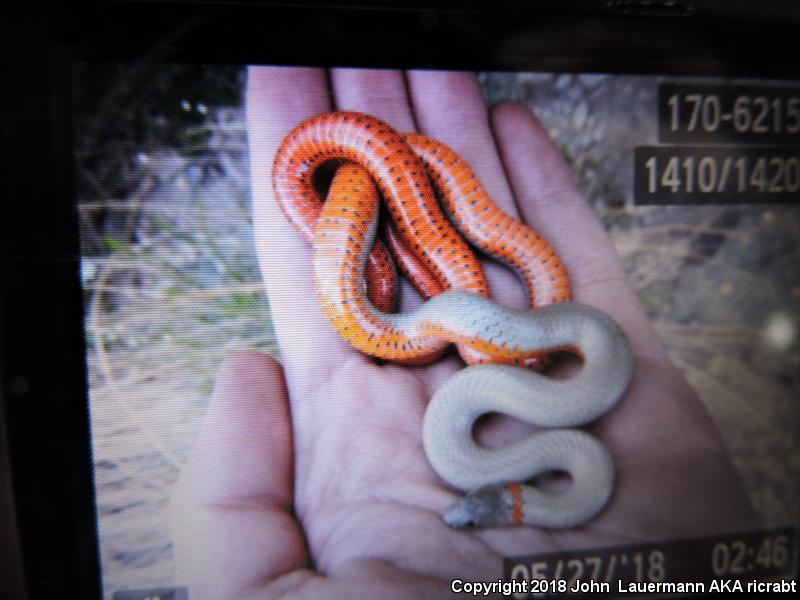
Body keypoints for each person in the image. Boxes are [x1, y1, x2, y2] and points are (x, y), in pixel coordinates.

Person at [169, 67, 757, 599]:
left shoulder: (522, 411)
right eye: (478, 513)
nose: (463, 515)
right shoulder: (631, 502)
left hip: (447, 322)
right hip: (444, 308)